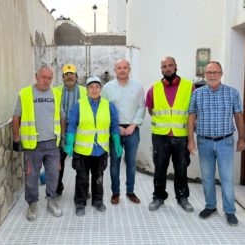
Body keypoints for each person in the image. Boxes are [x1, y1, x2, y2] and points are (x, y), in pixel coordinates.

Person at [187, 61, 245, 226]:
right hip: (204, 142)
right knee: (207, 178)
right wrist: (190, 140)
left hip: (225, 142)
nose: (212, 75)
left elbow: (238, 116)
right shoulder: (197, 94)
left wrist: (242, 138)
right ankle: (211, 206)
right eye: (209, 72)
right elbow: (191, 116)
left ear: (221, 74)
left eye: (215, 72)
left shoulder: (232, 93)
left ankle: (230, 211)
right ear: (205, 75)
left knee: (227, 179)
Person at [64, 76, 123, 216]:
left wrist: (117, 143)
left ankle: (97, 201)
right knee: (82, 178)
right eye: (91, 87)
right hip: (82, 150)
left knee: (99, 177)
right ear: (87, 89)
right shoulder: (79, 104)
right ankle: (80, 203)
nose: (94, 89)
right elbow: (72, 124)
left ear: (100, 89)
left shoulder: (109, 105)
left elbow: (114, 126)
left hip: (100, 150)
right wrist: (69, 143)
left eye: (97, 86)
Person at [12, 65, 63, 221]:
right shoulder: (25, 93)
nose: (46, 81)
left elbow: (61, 116)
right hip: (32, 144)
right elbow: (16, 117)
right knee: (31, 176)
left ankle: (51, 201)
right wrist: (16, 138)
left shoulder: (56, 94)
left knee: (53, 175)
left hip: (52, 143)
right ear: (36, 76)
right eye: (43, 77)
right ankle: (32, 204)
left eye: (49, 78)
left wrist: (63, 137)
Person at [146, 56, 194, 213]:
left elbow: (194, 111)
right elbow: (151, 109)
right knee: (160, 168)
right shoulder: (154, 88)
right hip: (160, 136)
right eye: (164, 66)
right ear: (161, 69)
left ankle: (182, 197)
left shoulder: (189, 86)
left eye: (170, 65)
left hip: (181, 135)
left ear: (176, 66)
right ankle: (158, 197)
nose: (168, 68)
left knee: (181, 168)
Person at [101, 59, 145, 205]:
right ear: (115, 70)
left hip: (133, 130)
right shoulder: (107, 88)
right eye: (119, 68)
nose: (122, 70)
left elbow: (141, 107)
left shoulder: (138, 87)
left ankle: (130, 191)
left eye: (125, 67)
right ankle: (115, 192)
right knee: (115, 163)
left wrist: (133, 125)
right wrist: (116, 127)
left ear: (129, 69)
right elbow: (104, 109)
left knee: (131, 163)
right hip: (115, 131)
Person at [55, 64, 87, 196]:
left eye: (72, 74)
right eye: (66, 74)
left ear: (76, 76)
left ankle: (83, 190)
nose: (69, 76)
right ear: (62, 77)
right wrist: (63, 136)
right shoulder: (56, 91)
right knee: (58, 161)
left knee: (82, 163)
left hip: (80, 132)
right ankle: (57, 187)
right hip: (62, 131)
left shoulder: (84, 91)